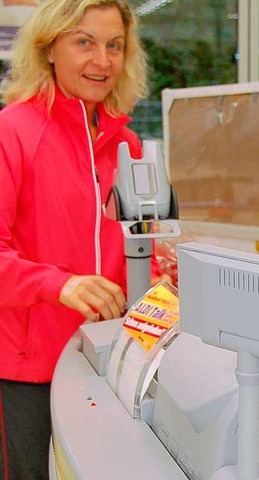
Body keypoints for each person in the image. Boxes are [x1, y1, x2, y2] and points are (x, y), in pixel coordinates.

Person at [0, 0, 148, 477]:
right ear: (49, 49)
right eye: (84, 43)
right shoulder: (12, 131)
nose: (101, 62)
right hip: (28, 369)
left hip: (105, 359)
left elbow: (131, 246)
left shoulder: (126, 144)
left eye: (114, 46)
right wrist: (61, 285)